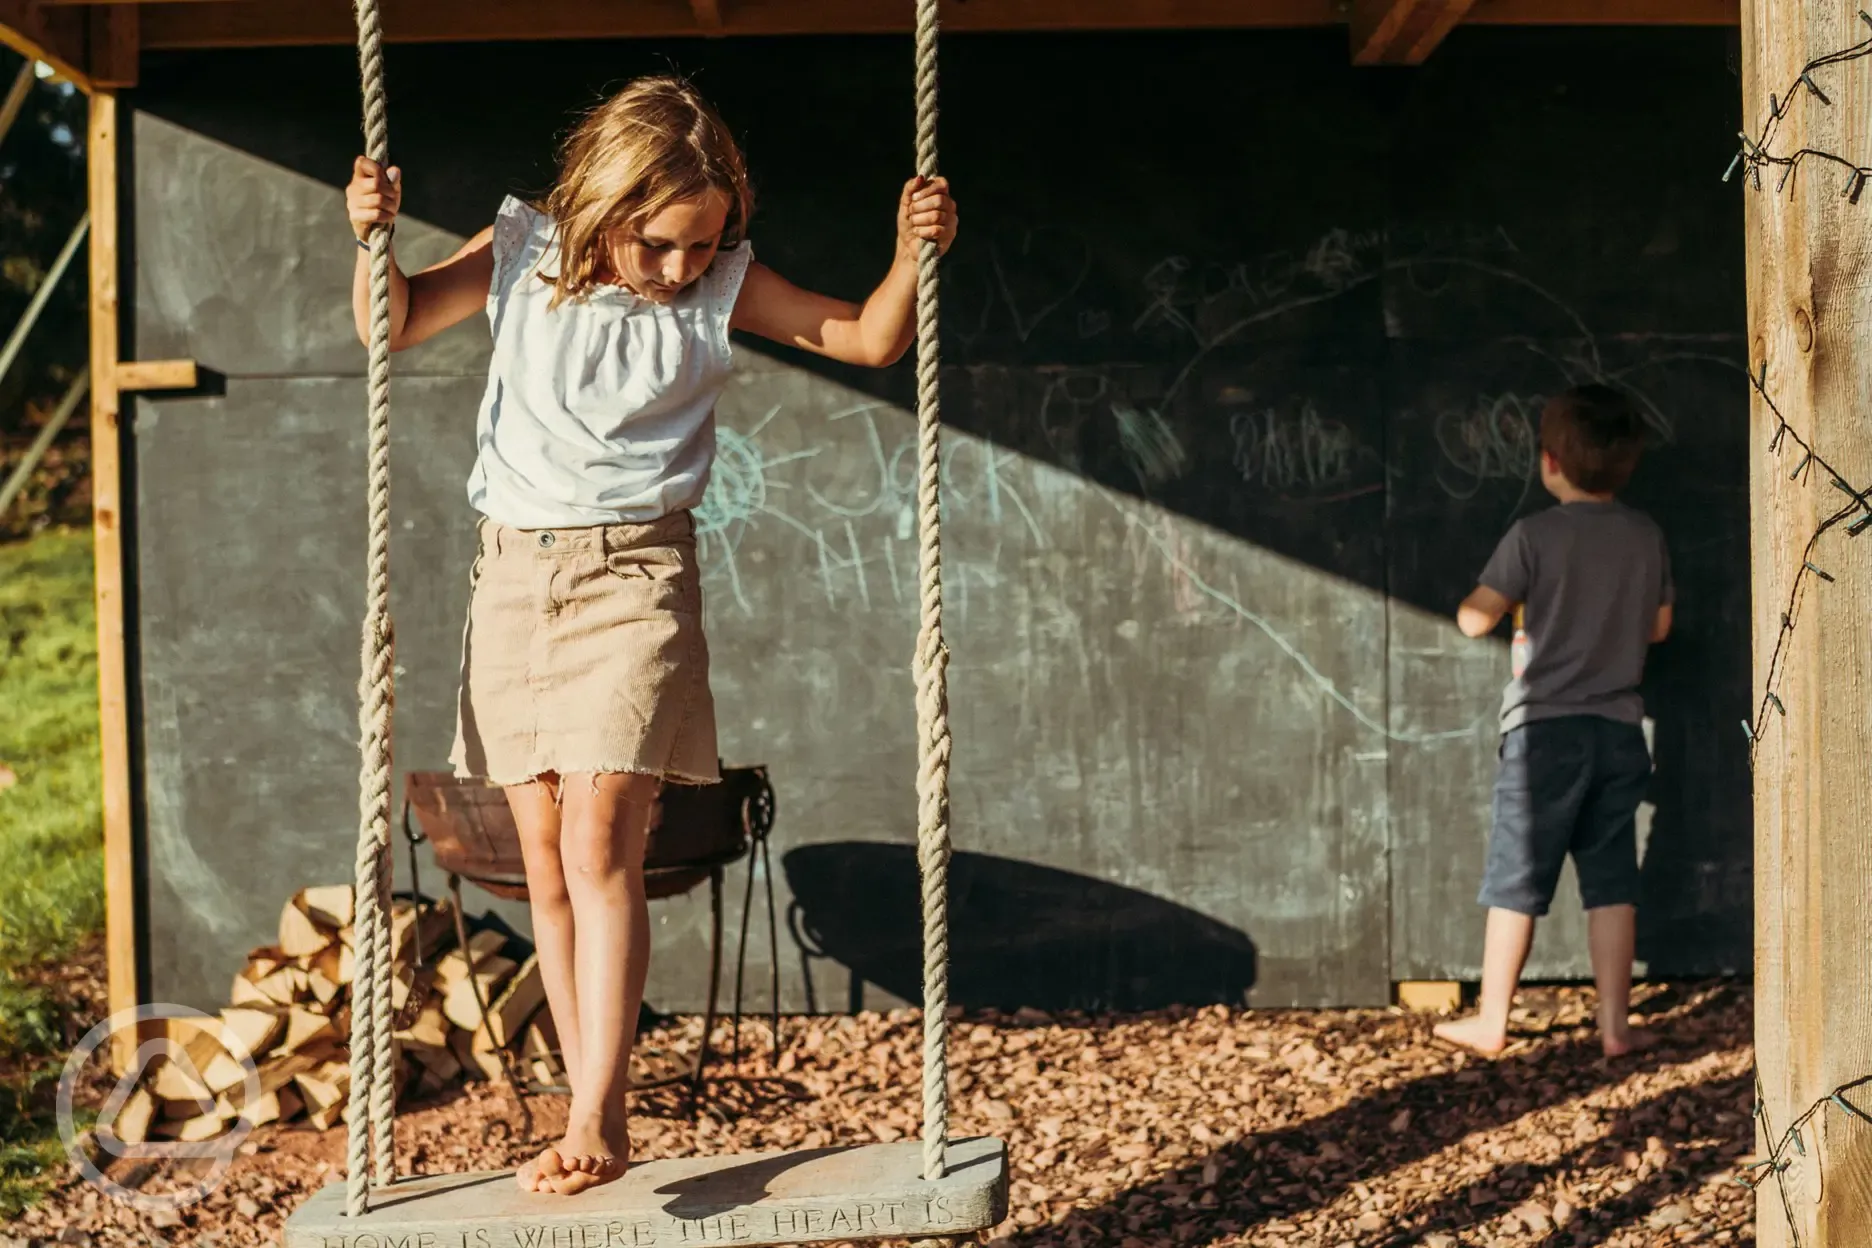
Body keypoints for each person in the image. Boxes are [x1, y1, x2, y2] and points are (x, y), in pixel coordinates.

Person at [344, 76, 958, 1195]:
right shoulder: (519, 250)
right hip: (515, 578)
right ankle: (586, 1112)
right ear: (603, 209)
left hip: (637, 577)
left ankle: (600, 1113)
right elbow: (390, 319)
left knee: (600, 844)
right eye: (663, 243)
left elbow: (868, 339)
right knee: (541, 860)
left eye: (705, 242)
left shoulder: (724, 286)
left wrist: (916, 250)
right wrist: (370, 237)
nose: (683, 266)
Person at [1433, 384, 1672, 1060]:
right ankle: (1615, 1029)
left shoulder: (1534, 535)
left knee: (1516, 877)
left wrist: (1492, 608)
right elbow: (1660, 626)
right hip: (1620, 732)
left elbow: (1476, 616)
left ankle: (1492, 1021)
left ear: (1549, 463)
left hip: (1544, 737)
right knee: (1611, 883)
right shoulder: (1645, 535)